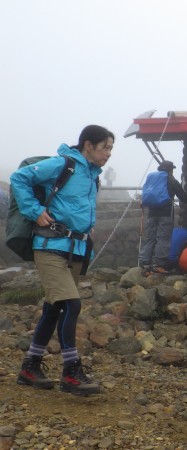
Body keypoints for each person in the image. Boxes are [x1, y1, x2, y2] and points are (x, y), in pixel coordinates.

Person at [12, 124, 114, 396]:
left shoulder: (93, 175)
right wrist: (34, 211)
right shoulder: (64, 165)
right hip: (49, 245)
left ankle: (30, 366)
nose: (109, 153)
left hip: (77, 250)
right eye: (105, 147)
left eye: (111, 148)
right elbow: (19, 178)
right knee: (72, 303)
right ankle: (71, 371)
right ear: (88, 146)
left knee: (55, 307)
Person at [138, 160, 187, 274]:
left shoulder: (152, 177)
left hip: (152, 213)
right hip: (166, 213)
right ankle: (158, 264)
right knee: (163, 238)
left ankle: (144, 263)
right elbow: (182, 196)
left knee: (150, 237)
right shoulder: (170, 179)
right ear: (170, 169)